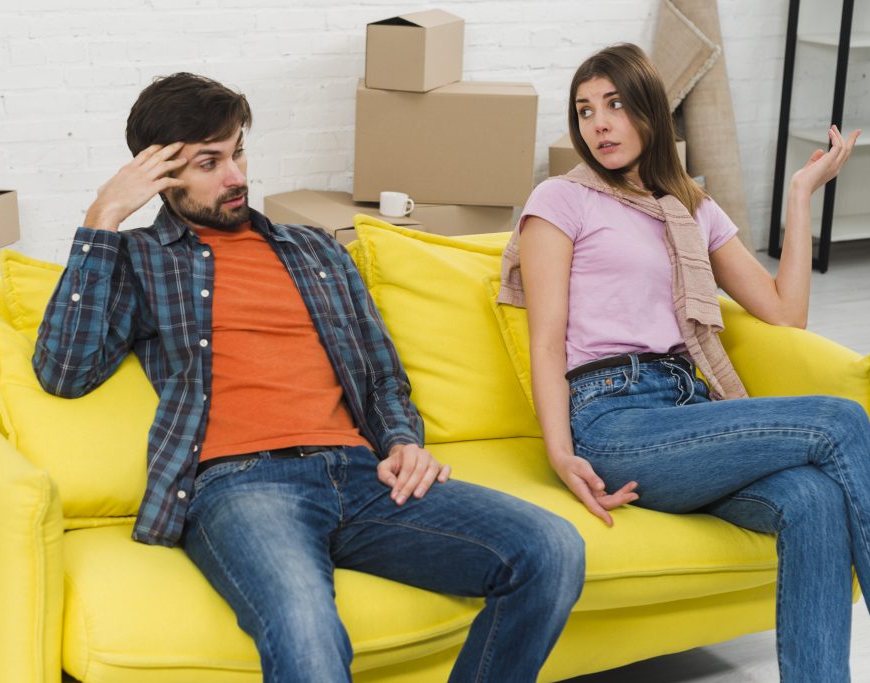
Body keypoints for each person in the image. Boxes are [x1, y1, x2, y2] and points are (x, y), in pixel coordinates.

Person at [34, 72, 584, 683]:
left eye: (238, 152)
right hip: (243, 487)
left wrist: (403, 442)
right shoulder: (138, 259)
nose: (236, 176)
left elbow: (382, 375)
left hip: (365, 475)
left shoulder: (315, 250)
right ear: (159, 176)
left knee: (550, 549)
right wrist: (103, 216)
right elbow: (65, 371)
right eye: (209, 163)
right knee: (306, 625)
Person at [500, 43, 870, 681]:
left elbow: (785, 313)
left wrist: (801, 194)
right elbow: (546, 338)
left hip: (689, 407)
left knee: (813, 499)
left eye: (615, 105)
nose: (599, 125)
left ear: (650, 111)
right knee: (839, 421)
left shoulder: (692, 207)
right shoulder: (561, 199)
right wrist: (562, 455)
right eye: (585, 111)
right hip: (613, 420)